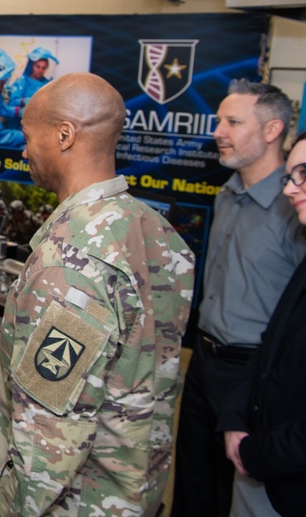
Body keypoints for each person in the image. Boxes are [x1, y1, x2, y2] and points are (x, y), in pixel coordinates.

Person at [0, 72, 195, 515]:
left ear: (64, 135)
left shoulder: (70, 262)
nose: (23, 150)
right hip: (135, 491)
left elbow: (48, 442)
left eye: (28, 135)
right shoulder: (157, 232)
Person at [173, 80, 306, 517]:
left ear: (271, 131)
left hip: (255, 375)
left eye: (232, 121)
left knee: (244, 494)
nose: (218, 131)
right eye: (218, 120)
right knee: (194, 484)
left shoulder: (296, 210)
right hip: (204, 362)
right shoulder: (227, 193)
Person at [219, 132, 306, 517]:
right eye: (289, 176)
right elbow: (270, 345)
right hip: (262, 472)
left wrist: (256, 452)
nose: (290, 189)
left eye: (302, 174)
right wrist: (236, 419)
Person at [5, 46, 59, 122]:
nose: (40, 70)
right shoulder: (22, 81)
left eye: (43, 68)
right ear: (32, 65)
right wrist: (24, 101)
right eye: (38, 67)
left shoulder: (47, 84)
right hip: (20, 122)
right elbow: (11, 102)